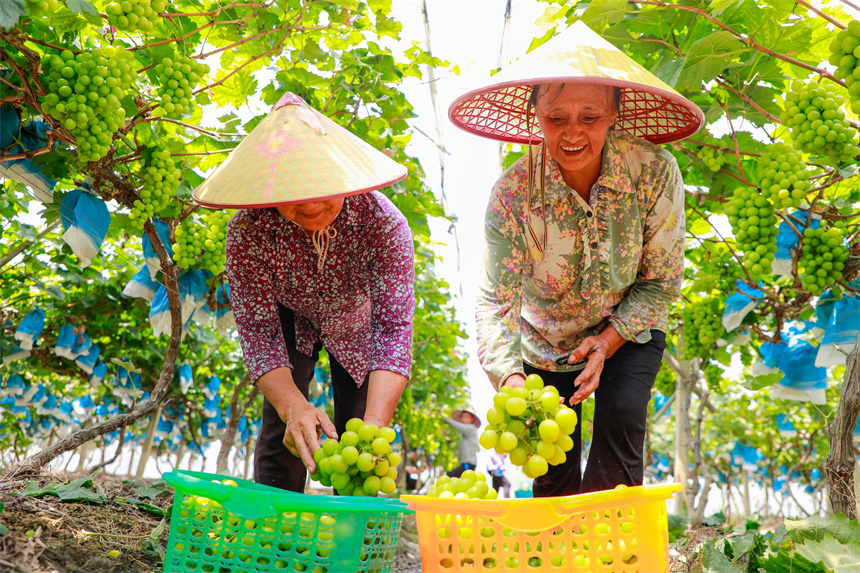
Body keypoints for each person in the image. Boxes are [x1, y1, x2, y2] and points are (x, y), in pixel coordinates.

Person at [448, 21, 702, 497]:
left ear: (614, 114)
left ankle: (613, 557)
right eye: (555, 117)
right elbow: (494, 302)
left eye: (589, 117)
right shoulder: (512, 196)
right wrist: (511, 378)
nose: (572, 133)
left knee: (622, 422)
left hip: (626, 328)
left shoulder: (653, 172)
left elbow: (661, 280)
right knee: (552, 467)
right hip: (542, 340)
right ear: (535, 114)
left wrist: (606, 343)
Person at [194, 92, 416, 493]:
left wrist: (376, 427)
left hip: (358, 324)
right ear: (269, 187)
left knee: (362, 433)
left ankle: (356, 542)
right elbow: (260, 334)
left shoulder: (383, 224)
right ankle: (279, 532)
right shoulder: (248, 232)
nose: (311, 204)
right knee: (287, 427)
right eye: (293, 190)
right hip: (289, 320)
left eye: (322, 185)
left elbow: (393, 329)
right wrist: (292, 403)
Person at [443, 409, 481, 478]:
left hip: (468, 464)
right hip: (465, 464)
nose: (464, 419)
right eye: (463, 417)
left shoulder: (471, 428)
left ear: (472, 419)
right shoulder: (465, 434)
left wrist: (443, 418)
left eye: (467, 417)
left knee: (450, 476)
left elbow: (456, 425)